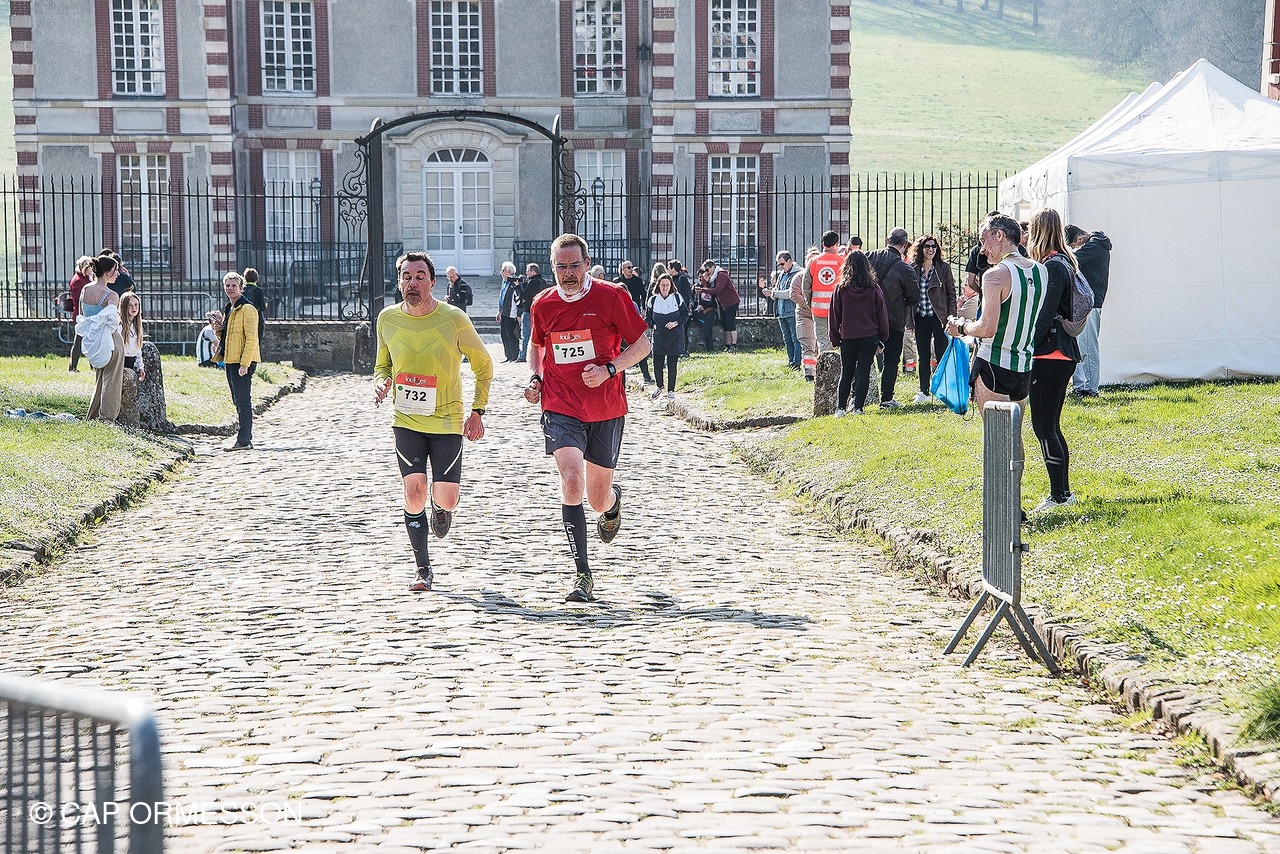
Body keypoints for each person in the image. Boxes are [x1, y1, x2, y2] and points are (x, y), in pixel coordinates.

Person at [524, 233, 652, 603]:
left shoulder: (612, 296)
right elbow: (537, 345)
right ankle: (583, 574)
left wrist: (610, 369)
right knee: (571, 480)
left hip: (605, 407)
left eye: (575, 266)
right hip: (560, 404)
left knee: (596, 499)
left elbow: (643, 344)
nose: (568, 273)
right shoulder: (543, 303)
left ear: (587, 264)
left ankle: (612, 502)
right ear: (552, 267)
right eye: (561, 267)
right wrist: (535, 378)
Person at [373, 251, 493, 592]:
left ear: (432, 282)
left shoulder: (453, 319)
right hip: (406, 419)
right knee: (414, 493)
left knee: (447, 497)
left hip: (446, 421)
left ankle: (441, 508)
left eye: (419, 277)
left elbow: (483, 365)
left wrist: (478, 411)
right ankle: (422, 569)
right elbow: (382, 364)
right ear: (399, 283)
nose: (412, 283)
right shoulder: (387, 318)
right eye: (406, 277)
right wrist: (381, 382)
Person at [946, 214, 1049, 460]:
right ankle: (1014, 486)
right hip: (1023, 364)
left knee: (998, 439)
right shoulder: (1041, 271)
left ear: (1000, 235)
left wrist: (961, 327)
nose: (982, 250)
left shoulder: (994, 275)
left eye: (984, 241)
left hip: (994, 362)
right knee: (1014, 437)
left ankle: (998, 487)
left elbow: (987, 328)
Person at [1027, 208, 1082, 512]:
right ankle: (1062, 493)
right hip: (1060, 351)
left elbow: (1044, 314)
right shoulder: (1064, 261)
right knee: (1050, 425)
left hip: (1050, 351)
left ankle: (1060, 495)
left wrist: (1026, 345)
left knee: (1044, 426)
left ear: (1038, 231)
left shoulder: (1053, 266)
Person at [829, 250, 888, 417]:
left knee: (846, 372)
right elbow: (882, 315)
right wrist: (882, 338)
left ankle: (841, 408)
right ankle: (858, 408)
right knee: (863, 372)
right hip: (870, 337)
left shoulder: (840, 289)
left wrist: (835, 338)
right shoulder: (874, 289)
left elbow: (834, 316)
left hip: (848, 337)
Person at [866, 228, 919, 409]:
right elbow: (914, 297)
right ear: (905, 245)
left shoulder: (868, 257)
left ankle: (857, 399)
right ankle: (886, 398)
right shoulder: (905, 269)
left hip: (867, 318)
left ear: (887, 240)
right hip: (893, 320)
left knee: (864, 359)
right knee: (891, 360)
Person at [909, 234, 957, 404]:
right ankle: (924, 390)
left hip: (939, 317)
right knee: (923, 355)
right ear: (920, 249)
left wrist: (951, 317)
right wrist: (909, 320)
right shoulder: (913, 268)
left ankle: (943, 389)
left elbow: (951, 293)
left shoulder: (943, 268)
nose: (931, 249)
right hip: (921, 316)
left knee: (942, 353)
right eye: (927, 246)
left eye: (933, 246)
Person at [1065, 224, 1112, 398]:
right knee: (1081, 345)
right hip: (1086, 303)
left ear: (1079, 239)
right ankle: (1081, 385)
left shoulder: (1095, 245)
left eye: (1073, 245)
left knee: (1087, 346)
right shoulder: (1097, 243)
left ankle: (1090, 387)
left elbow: (1072, 260)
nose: (1074, 249)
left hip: (1090, 304)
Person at [76, 255, 124, 421]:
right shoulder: (112, 295)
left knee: (99, 379)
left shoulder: (85, 289)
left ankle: (93, 416)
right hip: (111, 340)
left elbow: (82, 315)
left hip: (93, 339)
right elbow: (112, 320)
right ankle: (107, 418)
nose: (118, 274)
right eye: (115, 270)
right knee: (112, 380)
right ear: (107, 272)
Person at [218, 272, 261, 452]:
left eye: (234, 285)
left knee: (243, 401)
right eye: (227, 285)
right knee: (237, 400)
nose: (230, 288)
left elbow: (252, 338)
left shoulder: (248, 309)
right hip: (231, 359)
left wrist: (245, 364)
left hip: (243, 361)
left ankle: (244, 440)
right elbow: (229, 335)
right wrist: (219, 329)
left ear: (241, 288)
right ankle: (244, 438)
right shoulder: (230, 308)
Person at [645, 272, 689, 401]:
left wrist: (676, 323)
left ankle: (671, 391)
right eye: (662, 285)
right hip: (659, 336)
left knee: (672, 364)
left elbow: (685, 315)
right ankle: (659, 386)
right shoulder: (653, 300)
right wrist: (653, 325)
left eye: (667, 285)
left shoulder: (677, 298)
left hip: (675, 336)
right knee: (657, 364)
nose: (665, 287)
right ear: (658, 285)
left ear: (671, 286)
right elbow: (647, 318)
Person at [760, 251, 801, 369]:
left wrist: (773, 293)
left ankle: (797, 362)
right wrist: (770, 292)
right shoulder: (782, 274)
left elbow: (791, 293)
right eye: (778, 265)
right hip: (781, 311)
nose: (780, 267)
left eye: (782, 264)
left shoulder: (798, 274)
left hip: (792, 311)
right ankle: (791, 360)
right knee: (787, 339)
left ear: (789, 261)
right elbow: (777, 291)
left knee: (795, 338)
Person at [613, 261, 653, 384]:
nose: (631, 269)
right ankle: (620, 381)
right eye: (628, 267)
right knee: (619, 354)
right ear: (622, 269)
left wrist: (643, 309)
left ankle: (646, 375)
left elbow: (643, 295)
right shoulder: (617, 281)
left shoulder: (637, 281)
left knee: (637, 347)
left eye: (631, 267)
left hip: (632, 317)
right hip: (618, 324)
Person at [789, 245, 821, 381]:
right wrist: (808, 304)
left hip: (821, 316)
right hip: (805, 315)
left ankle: (821, 372)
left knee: (820, 346)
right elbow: (793, 294)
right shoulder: (799, 277)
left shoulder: (823, 276)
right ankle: (809, 374)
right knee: (808, 345)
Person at [699, 259, 740, 351]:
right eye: (705, 270)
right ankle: (728, 345)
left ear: (713, 267)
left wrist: (702, 290)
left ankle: (734, 344)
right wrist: (707, 282)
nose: (706, 272)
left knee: (730, 322)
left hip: (731, 301)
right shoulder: (713, 278)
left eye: (707, 270)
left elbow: (717, 290)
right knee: (724, 323)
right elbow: (712, 290)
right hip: (723, 303)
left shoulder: (721, 275)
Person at [517, 263, 549, 361]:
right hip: (541, 311)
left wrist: (518, 286)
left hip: (529, 310)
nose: (526, 273)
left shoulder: (532, 282)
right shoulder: (543, 282)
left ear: (533, 272)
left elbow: (524, 295)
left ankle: (524, 355)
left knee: (526, 334)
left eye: (527, 271)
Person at [66, 255, 94, 372]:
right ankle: (73, 366)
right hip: (81, 315)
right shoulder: (79, 281)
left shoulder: (84, 279)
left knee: (90, 341)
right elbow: (81, 300)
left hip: (85, 315)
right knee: (79, 341)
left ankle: (92, 365)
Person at [496, 261, 522, 362]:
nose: (501, 273)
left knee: (512, 336)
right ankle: (508, 355)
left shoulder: (514, 283)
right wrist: (499, 311)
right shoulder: (504, 282)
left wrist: (519, 314)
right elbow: (502, 298)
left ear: (509, 272)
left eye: (503, 270)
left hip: (512, 314)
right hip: (504, 313)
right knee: (504, 335)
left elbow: (519, 299)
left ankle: (514, 355)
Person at [118, 291, 146, 383]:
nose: (134, 308)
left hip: (131, 361)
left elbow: (137, 349)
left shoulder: (136, 326)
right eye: (130, 305)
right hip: (120, 362)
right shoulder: (119, 326)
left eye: (136, 305)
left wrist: (140, 366)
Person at [691, 267, 720, 352]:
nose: (701, 279)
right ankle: (710, 347)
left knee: (710, 318)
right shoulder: (696, 287)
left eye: (703, 277)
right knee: (708, 324)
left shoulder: (711, 287)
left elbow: (714, 304)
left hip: (710, 311)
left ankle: (702, 339)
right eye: (699, 277)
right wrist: (703, 307)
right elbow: (695, 302)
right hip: (699, 312)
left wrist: (706, 307)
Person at [242, 267, 268, 344]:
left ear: (245, 278)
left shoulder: (241, 290)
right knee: (257, 343)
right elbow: (262, 308)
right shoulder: (258, 290)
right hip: (257, 319)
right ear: (256, 278)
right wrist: (265, 305)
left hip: (244, 318)